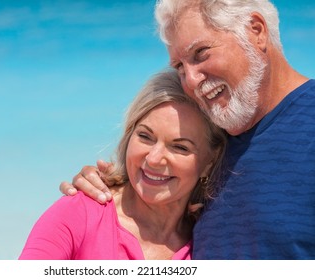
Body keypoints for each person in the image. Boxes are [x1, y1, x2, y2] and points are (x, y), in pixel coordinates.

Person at [59, 0, 315, 259]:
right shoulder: (211, 138)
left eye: (201, 53)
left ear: (256, 31)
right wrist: (102, 187)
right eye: (180, 67)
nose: (190, 81)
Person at [19, 70, 226, 260]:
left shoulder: (212, 241)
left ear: (210, 161)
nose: (153, 158)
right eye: (145, 136)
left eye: (180, 147)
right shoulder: (79, 212)